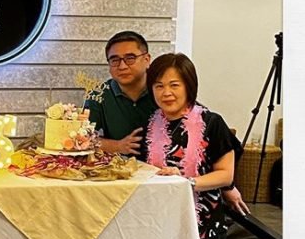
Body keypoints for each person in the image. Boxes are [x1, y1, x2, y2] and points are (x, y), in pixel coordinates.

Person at [85, 30, 249, 215]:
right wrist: (118, 146)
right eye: (115, 60)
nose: (122, 65)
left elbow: (217, 156)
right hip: (144, 196)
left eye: (130, 58)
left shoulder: (206, 119)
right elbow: (83, 140)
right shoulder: (102, 97)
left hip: (199, 206)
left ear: (146, 59)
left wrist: (226, 186)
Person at [145, 52, 235, 239]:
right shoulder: (150, 124)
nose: (166, 92)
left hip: (204, 226)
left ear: (189, 86)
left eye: (174, 85)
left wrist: (187, 182)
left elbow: (226, 174)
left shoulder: (211, 122)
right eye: (159, 86)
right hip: (162, 225)